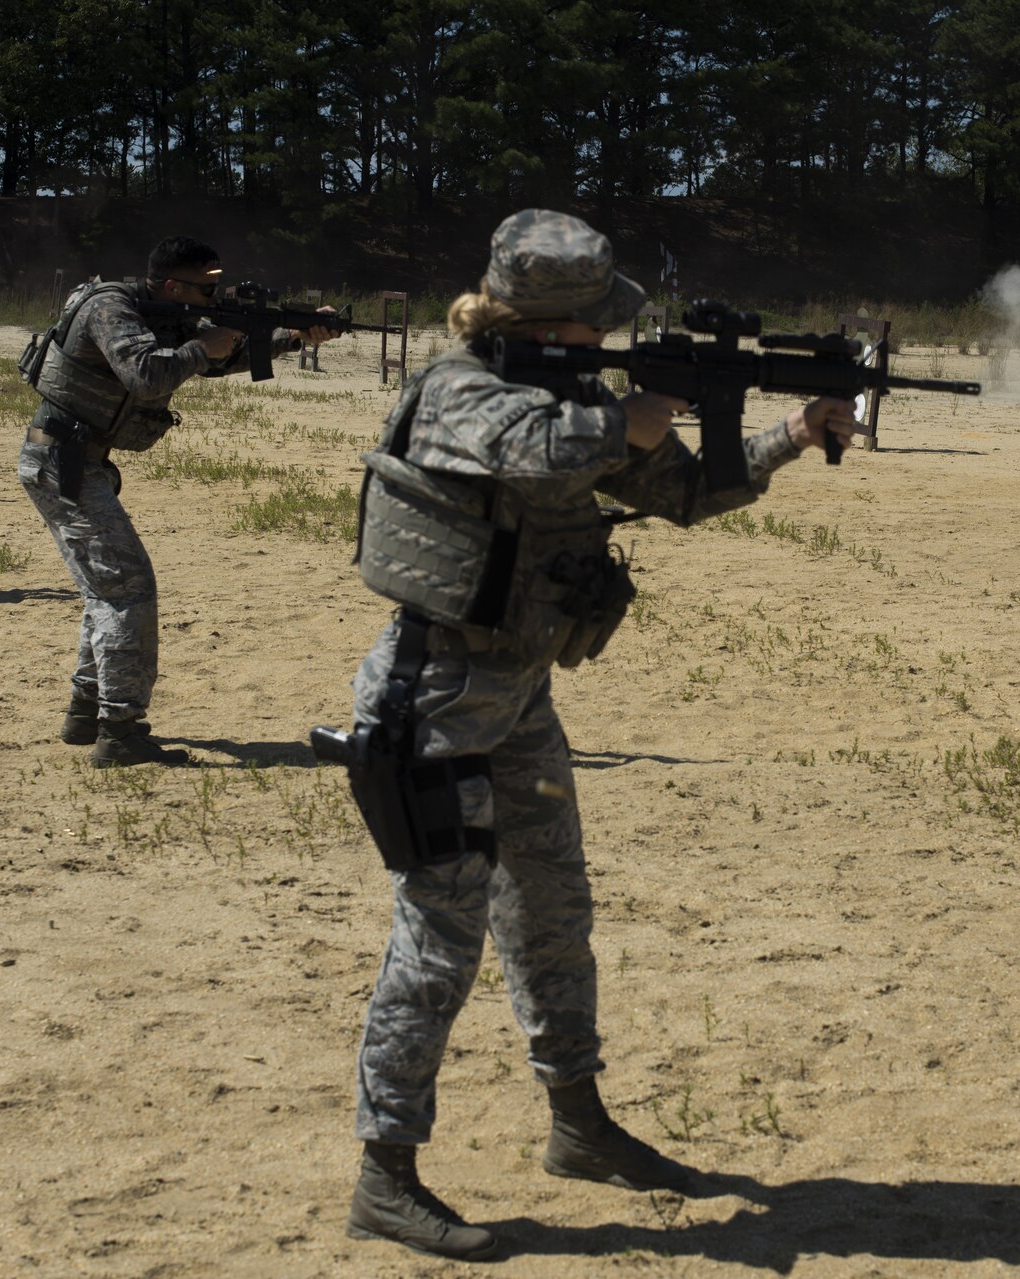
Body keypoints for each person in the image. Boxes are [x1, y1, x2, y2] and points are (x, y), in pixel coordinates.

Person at [338, 208, 860, 1261]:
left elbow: (681, 489)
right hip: (431, 702)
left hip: (519, 698)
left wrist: (791, 435)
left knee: (550, 914)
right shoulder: (460, 390)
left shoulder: (573, 399)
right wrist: (633, 411)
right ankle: (383, 1175)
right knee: (437, 944)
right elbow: (529, 451)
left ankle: (577, 1124)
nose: (606, 349)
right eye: (594, 335)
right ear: (537, 324)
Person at [18, 235, 336, 768]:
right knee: (127, 587)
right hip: (63, 460)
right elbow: (145, 375)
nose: (215, 300)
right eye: (207, 291)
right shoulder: (111, 308)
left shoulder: (165, 313)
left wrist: (294, 335)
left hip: (78, 460)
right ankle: (120, 732)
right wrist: (199, 346)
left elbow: (216, 359)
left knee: (107, 586)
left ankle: (87, 709)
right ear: (171, 286)